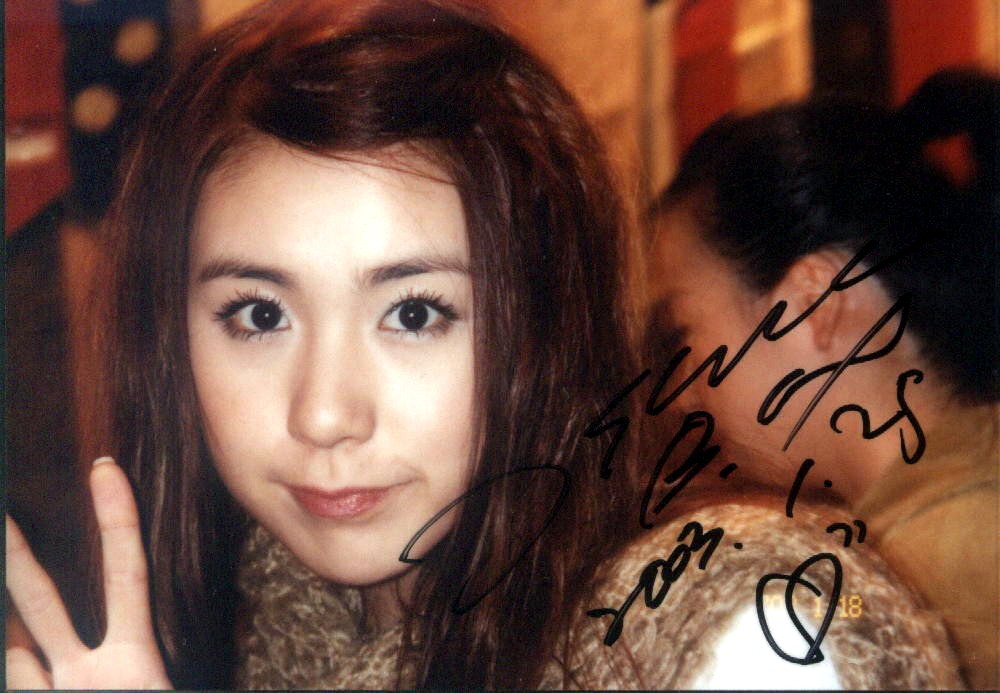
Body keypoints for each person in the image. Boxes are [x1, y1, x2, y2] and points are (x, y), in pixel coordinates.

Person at [4, 1, 965, 689]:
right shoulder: (246, 633)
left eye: (416, 312)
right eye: (258, 315)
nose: (325, 412)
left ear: (544, 319)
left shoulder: (732, 629)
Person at [647, 69, 998, 689]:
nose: (681, 388)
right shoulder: (947, 519)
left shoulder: (932, 571)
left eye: (684, 329)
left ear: (814, 303)